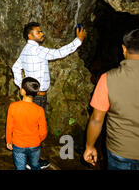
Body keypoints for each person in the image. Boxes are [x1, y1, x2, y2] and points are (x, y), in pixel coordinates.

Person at [12, 21, 87, 169]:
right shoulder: (36, 50)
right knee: (36, 129)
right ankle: (32, 162)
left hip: (31, 94)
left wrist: (23, 86)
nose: (42, 34)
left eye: (41, 31)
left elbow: (15, 67)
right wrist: (78, 40)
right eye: (38, 32)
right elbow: (58, 53)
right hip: (38, 96)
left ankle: (28, 159)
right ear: (29, 35)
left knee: (29, 127)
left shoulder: (26, 50)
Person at [83, 28, 139, 170]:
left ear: (124, 49)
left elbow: (97, 119)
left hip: (120, 150)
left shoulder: (108, 79)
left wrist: (89, 146)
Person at [6, 77, 47, 170]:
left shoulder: (13, 107)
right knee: (35, 165)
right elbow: (43, 131)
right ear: (36, 93)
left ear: (23, 91)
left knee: (20, 167)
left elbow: (9, 126)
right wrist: (38, 140)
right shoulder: (39, 110)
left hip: (19, 144)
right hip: (34, 144)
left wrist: (9, 141)